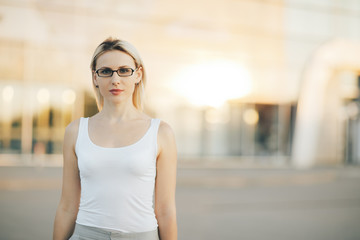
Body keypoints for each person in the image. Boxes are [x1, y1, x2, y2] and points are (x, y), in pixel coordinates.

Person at [53, 37, 177, 240]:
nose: (115, 79)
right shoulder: (75, 131)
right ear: (95, 77)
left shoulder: (161, 132)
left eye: (124, 70)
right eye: (106, 71)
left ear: (138, 74)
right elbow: (67, 207)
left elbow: (166, 211)